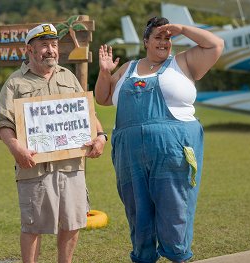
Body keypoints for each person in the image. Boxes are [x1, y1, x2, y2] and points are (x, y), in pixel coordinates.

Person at [95, 17, 224, 263]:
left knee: (175, 209)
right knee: (137, 212)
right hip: (130, 155)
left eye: (168, 38)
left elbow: (215, 44)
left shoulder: (183, 62)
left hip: (173, 151)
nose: (164, 42)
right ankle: (143, 257)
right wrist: (104, 72)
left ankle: (178, 257)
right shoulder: (128, 68)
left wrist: (183, 29)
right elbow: (103, 98)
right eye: (158, 37)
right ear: (146, 41)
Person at [0, 23, 107, 263]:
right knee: (33, 225)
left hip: (71, 166)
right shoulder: (15, 83)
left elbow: (87, 113)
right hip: (34, 165)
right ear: (30, 50)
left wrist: (101, 136)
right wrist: (17, 149)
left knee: (73, 221)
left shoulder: (69, 77)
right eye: (44, 45)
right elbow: (3, 124)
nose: (50, 50)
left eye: (54, 45)